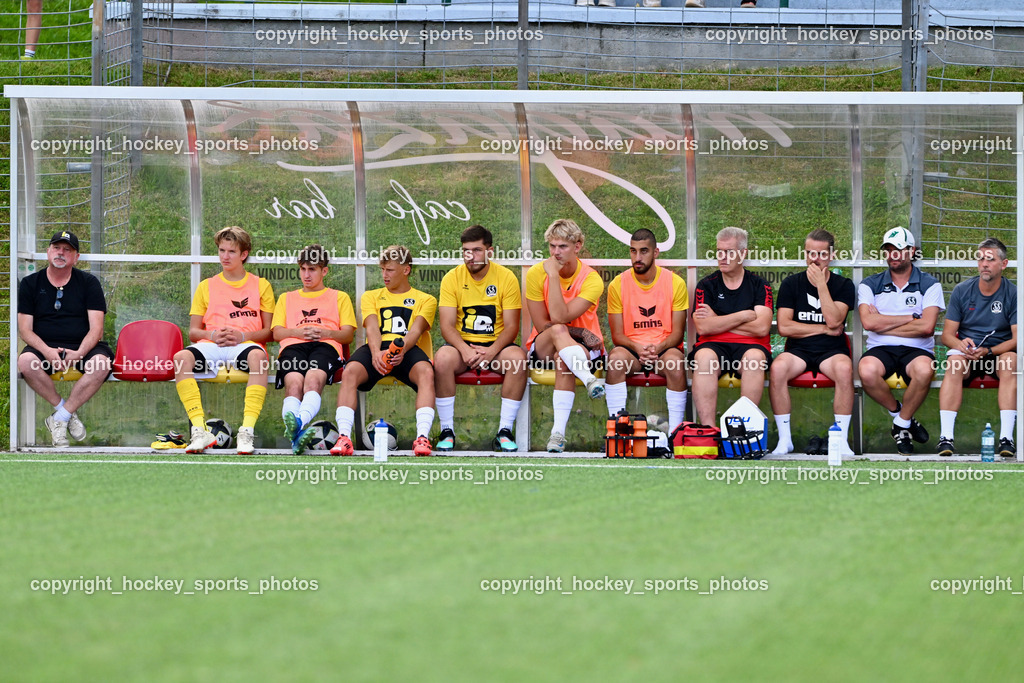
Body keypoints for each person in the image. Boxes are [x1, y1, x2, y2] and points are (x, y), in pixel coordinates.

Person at [173, 226, 275, 454]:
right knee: (181, 358)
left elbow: (270, 332)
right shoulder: (206, 286)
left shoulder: (261, 285)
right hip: (212, 345)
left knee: (259, 358)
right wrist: (211, 335)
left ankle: (246, 432)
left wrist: (243, 336)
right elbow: (193, 332)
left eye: (231, 251)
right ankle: (199, 430)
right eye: (221, 250)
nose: (225, 256)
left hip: (244, 345)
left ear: (244, 254)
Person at [331, 245, 437, 456]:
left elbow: (415, 331)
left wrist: (401, 351)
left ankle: (422, 438)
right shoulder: (371, 296)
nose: (384, 275)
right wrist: (376, 353)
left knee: (426, 372)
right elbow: (372, 328)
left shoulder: (426, 299)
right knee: (350, 371)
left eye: (390, 270)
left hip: (408, 349)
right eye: (382, 269)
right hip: (377, 348)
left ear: (406, 270)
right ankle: (344, 438)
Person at [434, 226, 527, 453]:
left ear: (490, 251)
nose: (470, 256)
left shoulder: (506, 277)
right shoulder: (452, 278)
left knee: (518, 360)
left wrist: (491, 351)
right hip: (462, 347)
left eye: (476, 250)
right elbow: (446, 326)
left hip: (496, 347)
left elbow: (512, 327)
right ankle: (447, 431)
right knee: (443, 358)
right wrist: (465, 350)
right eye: (466, 251)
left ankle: (504, 431)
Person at [17, 230, 114, 447]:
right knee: (26, 361)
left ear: (76, 257)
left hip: (82, 347)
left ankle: (60, 417)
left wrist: (79, 353)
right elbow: (25, 330)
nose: (60, 253)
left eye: (67, 250)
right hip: (44, 347)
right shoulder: (30, 283)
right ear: (48, 252)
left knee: (101, 363)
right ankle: (64, 412)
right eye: (56, 248)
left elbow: (96, 330)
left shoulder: (89, 282)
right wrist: (47, 352)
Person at [858, 226, 944, 455]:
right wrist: (910, 317)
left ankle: (901, 424)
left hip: (917, 350)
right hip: (881, 348)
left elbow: (927, 327)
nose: (893, 254)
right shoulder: (870, 283)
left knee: (925, 370)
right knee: (866, 370)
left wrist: (883, 322)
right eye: (888, 250)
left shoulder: (930, 284)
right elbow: (868, 323)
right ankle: (901, 416)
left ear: (911, 251)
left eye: (898, 249)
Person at [770, 229, 856, 455]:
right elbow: (784, 327)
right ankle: (785, 440)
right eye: (810, 253)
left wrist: (821, 285)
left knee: (845, 369)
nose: (814, 259)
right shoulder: (791, 283)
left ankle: (841, 440)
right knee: (778, 368)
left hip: (832, 351)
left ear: (831, 255)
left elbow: (835, 319)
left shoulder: (843, 285)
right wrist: (824, 329)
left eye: (821, 254)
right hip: (798, 350)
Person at [525, 219, 606, 453]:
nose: (555, 252)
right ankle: (589, 379)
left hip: (583, 346)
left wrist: (553, 276)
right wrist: (551, 276)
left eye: (562, 246)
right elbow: (543, 324)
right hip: (545, 342)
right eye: (552, 246)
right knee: (557, 330)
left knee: (564, 359)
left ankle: (557, 435)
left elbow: (560, 316)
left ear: (577, 246)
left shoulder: (591, 278)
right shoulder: (536, 273)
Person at [937, 238, 1018, 457]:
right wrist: (961, 345)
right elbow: (947, 335)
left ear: (1004, 264)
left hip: (998, 353)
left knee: (1011, 361)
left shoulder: (1013, 293)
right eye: (980, 259)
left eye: (990, 259)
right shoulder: (962, 290)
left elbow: (1017, 339)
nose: (984, 264)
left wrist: (989, 351)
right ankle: (946, 438)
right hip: (968, 354)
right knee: (954, 363)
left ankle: (1006, 439)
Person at [272, 244, 356, 454]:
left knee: (312, 380)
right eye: (303, 269)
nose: (306, 275)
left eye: (312, 269)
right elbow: (277, 333)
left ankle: (298, 424)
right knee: (293, 384)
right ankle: (297, 433)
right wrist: (298, 332)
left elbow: (348, 335)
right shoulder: (286, 298)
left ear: (324, 271)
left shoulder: (340, 297)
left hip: (325, 345)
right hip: (293, 345)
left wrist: (325, 333)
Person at [604, 228, 689, 430]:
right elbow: (617, 335)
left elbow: (678, 333)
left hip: (664, 349)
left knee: (675, 364)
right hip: (632, 351)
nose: (637, 257)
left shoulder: (675, 282)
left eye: (644, 251)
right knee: (616, 361)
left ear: (655, 252)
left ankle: (675, 433)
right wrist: (638, 348)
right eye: (633, 251)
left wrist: (657, 348)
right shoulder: (618, 284)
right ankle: (617, 430)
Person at [689, 226, 773, 426]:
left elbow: (761, 328)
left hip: (751, 345)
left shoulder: (759, 285)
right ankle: (708, 430)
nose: (722, 257)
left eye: (729, 252)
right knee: (704, 359)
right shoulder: (706, 285)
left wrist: (718, 320)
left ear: (743, 254)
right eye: (719, 252)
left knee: (754, 359)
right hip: (713, 345)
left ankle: (744, 430)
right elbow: (703, 328)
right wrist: (743, 316)